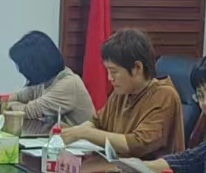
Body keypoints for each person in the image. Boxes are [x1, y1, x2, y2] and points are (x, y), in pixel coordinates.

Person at [58, 28, 184, 158]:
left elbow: (137, 143)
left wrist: (84, 133)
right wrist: (72, 132)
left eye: (114, 71)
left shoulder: (164, 95)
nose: (109, 78)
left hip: (148, 168)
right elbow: (97, 122)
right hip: (117, 165)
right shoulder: (122, 92)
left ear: (137, 68)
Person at [6, 30, 95, 134]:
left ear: (36, 64)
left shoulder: (68, 83)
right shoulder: (47, 80)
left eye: (22, 65)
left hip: (79, 143)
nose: (20, 70)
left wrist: (6, 105)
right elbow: (21, 95)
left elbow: (30, 111)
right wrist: (0, 100)